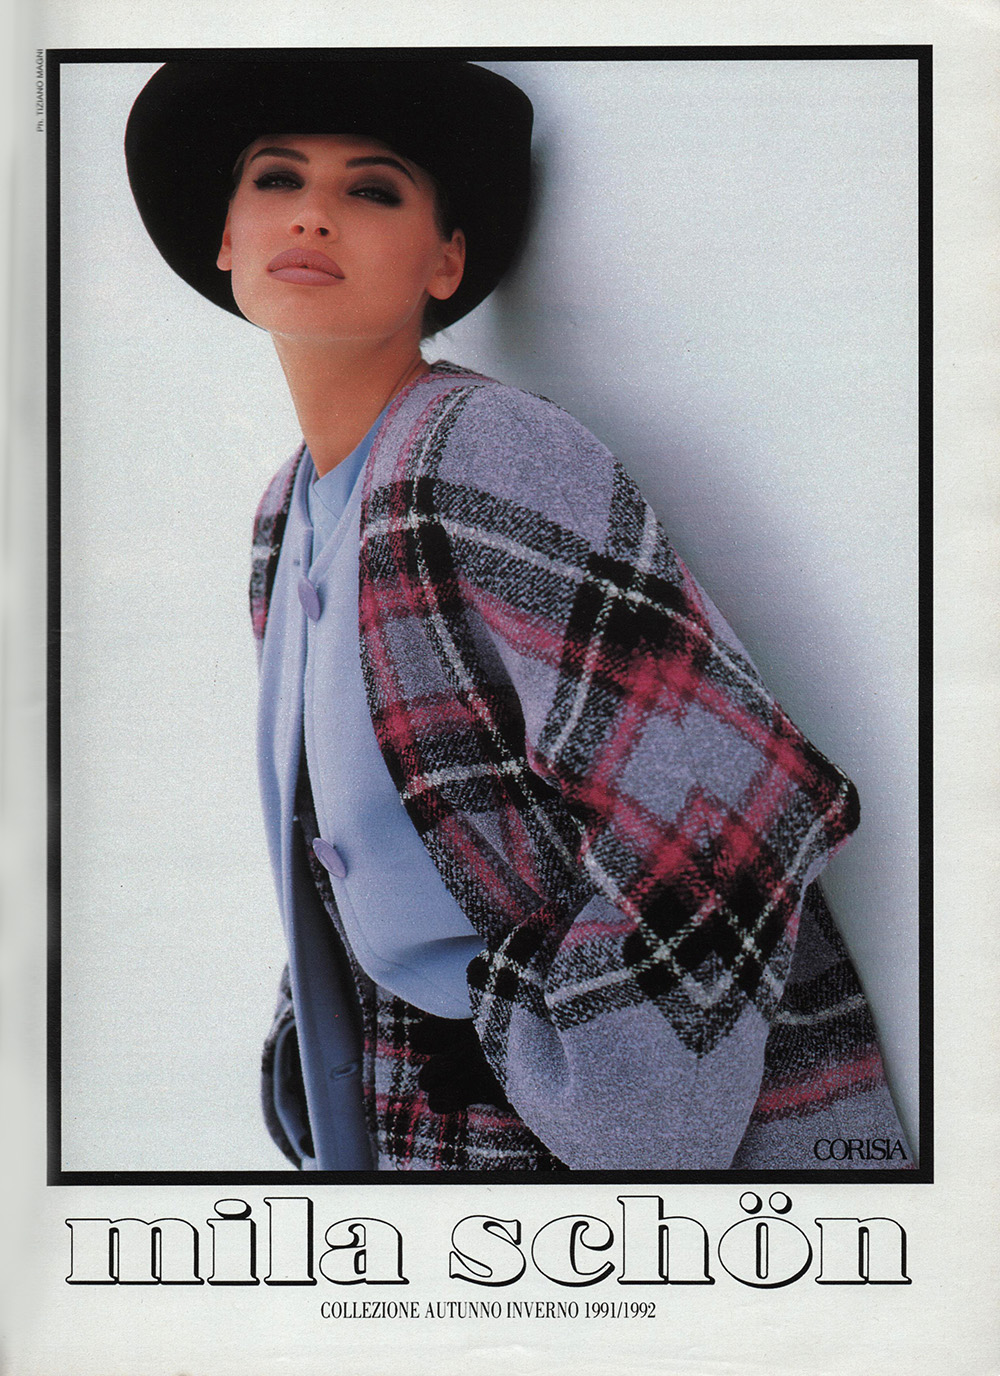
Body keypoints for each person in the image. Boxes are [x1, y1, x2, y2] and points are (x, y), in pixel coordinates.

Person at [125, 57, 908, 1172]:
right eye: (277, 179)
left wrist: (608, 1089)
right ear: (225, 239)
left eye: (373, 190)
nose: (312, 212)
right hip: (406, 1115)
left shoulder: (481, 449)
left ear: (445, 261)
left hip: (569, 1139)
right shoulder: (281, 514)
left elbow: (722, 790)